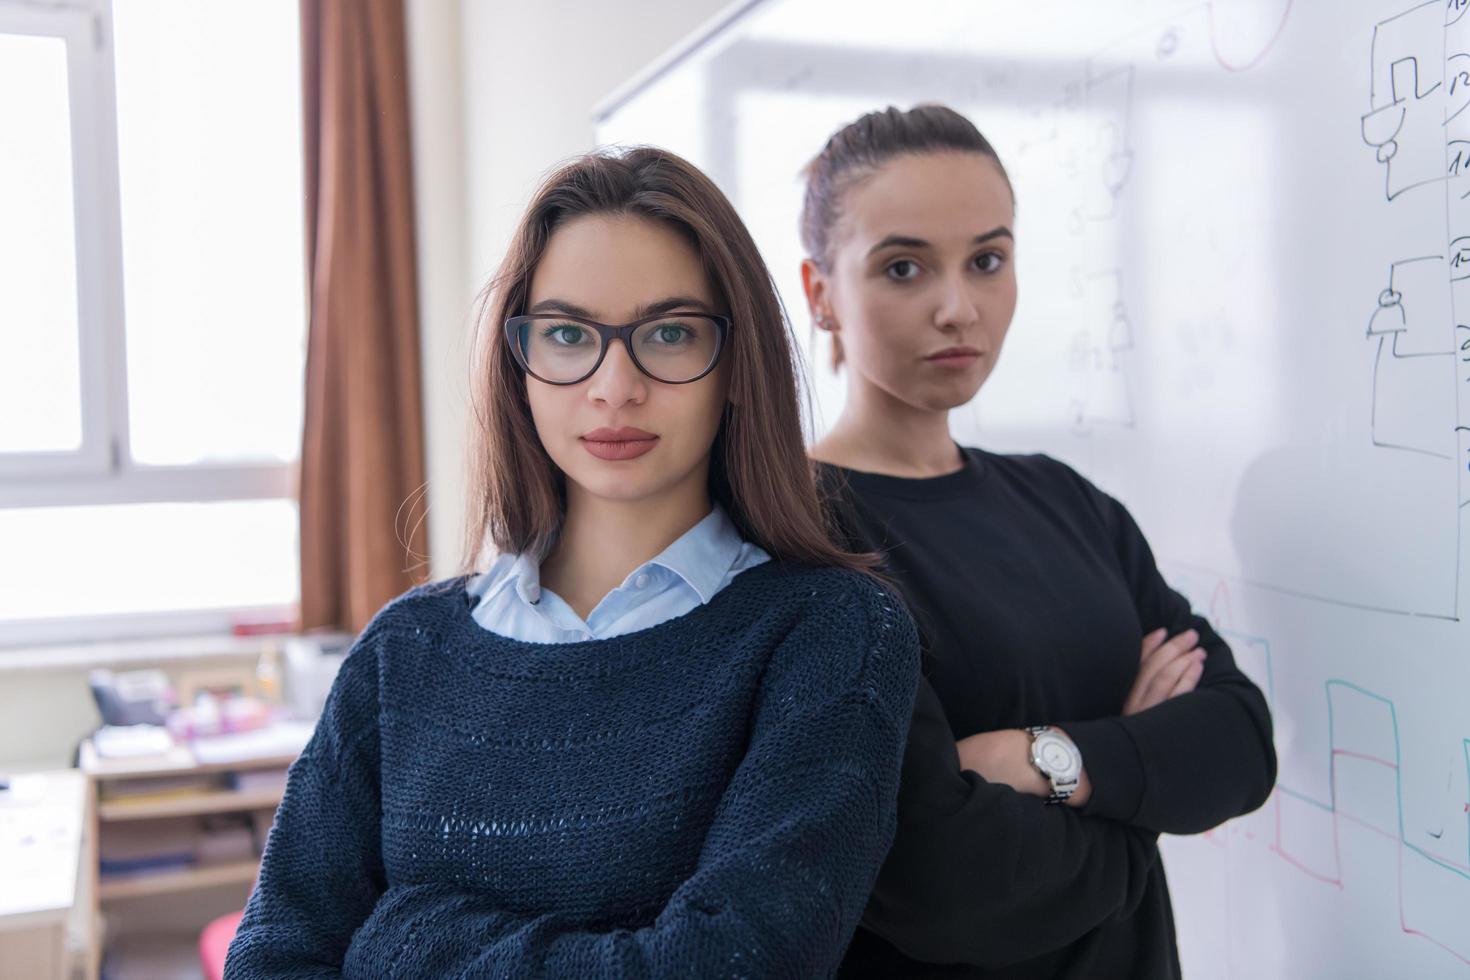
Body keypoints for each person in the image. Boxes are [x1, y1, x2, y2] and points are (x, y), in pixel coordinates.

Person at [224, 145, 921, 978]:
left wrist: (408, 940)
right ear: (519, 366)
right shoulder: (403, 650)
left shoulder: (830, 633)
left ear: (735, 365)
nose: (614, 386)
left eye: (668, 333)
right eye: (566, 334)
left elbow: (732, 966)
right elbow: (274, 956)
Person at [797, 105, 1277, 979]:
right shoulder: (800, 533)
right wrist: (1138, 787)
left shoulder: (1066, 501)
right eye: (903, 268)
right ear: (820, 292)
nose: (958, 307)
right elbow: (945, 884)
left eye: (988, 260)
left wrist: (1042, 759)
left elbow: (1240, 743)